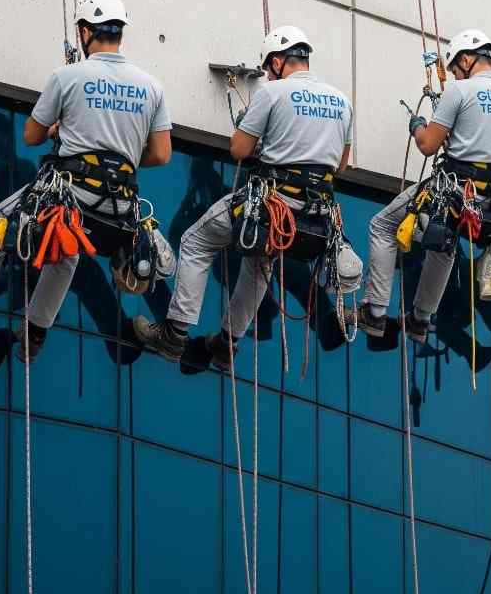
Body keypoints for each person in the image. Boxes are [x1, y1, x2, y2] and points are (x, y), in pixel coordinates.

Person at [0, 0, 174, 360]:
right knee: (65, 254)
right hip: (119, 206)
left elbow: (31, 136)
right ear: (120, 32)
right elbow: (161, 154)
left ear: (86, 31)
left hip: (71, 193)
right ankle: (35, 333)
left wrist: (60, 130)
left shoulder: (68, 76)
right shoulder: (152, 87)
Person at [134, 25, 353, 367]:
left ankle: (174, 334)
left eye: (269, 67)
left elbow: (239, 149)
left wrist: (253, 130)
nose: (267, 73)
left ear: (279, 60)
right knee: (260, 264)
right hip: (314, 215)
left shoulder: (271, 94)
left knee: (196, 239)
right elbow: (340, 164)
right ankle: (227, 342)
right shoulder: (342, 101)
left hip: (274, 205)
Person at [352, 28, 491, 343]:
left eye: (454, 69)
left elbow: (427, 146)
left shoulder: (459, 92)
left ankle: (375, 312)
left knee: (382, 226)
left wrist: (418, 126)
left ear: (466, 59)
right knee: (443, 246)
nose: (455, 76)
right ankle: (420, 321)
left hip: (453, 192)